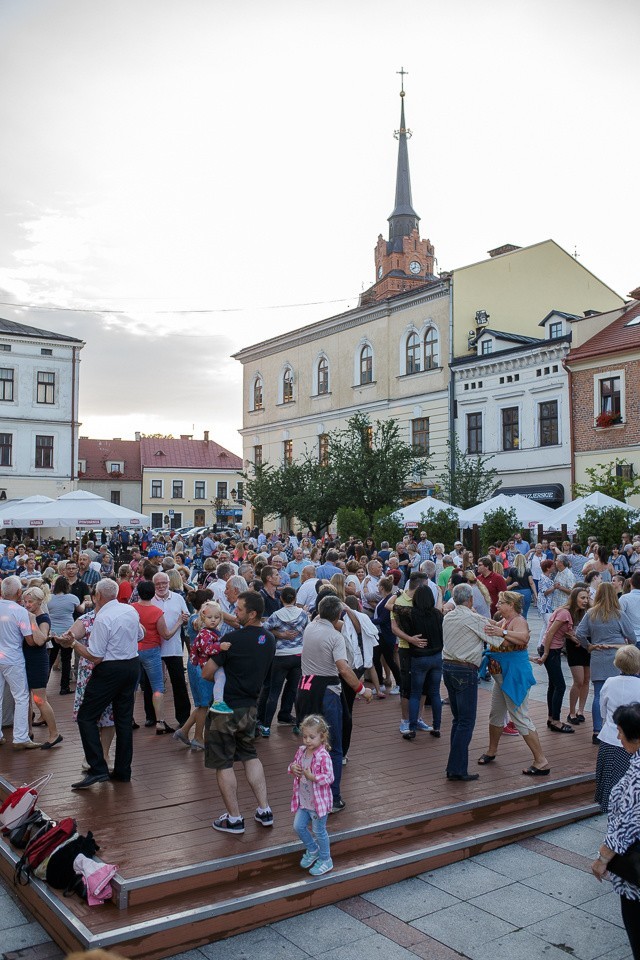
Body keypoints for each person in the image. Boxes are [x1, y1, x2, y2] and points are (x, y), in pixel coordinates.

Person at [201, 591, 276, 835]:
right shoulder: (269, 639)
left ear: (252, 613)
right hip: (250, 706)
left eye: (240, 609)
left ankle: (234, 818)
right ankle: (264, 809)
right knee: (249, 754)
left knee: (223, 762)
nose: (235, 613)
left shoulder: (232, 639)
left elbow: (207, 672)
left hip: (225, 708)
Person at [63, 578, 143, 789]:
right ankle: (123, 771)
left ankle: (98, 768)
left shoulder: (103, 617)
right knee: (123, 720)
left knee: (86, 716)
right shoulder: (130, 610)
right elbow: (140, 634)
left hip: (110, 670)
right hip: (131, 665)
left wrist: (73, 643)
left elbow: (95, 656)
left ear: (98, 596)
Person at [298, 594, 373, 813]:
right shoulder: (335, 636)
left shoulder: (310, 628)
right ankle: (332, 798)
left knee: (310, 744)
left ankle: (310, 793)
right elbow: (343, 668)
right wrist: (362, 690)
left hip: (305, 688)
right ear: (338, 615)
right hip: (326, 692)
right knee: (334, 747)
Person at [479, 591, 550, 776]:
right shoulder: (504, 620)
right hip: (502, 676)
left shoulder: (519, 620)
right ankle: (492, 750)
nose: (497, 605)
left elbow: (523, 637)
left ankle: (541, 761)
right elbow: (499, 629)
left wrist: (501, 631)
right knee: (496, 714)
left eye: (501, 602)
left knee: (520, 717)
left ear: (511, 605)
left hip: (513, 676)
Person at [591, 702, 640, 958]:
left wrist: (602, 859)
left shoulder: (637, 777)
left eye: (620, 731)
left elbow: (627, 826)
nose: (618, 736)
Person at [576, 582, 635, 744]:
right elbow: (632, 638)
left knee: (598, 695)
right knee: (619, 693)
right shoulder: (619, 614)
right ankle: (618, 729)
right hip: (617, 658)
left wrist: (588, 646)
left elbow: (579, 633)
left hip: (597, 655)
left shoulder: (591, 613)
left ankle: (597, 731)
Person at [441, 583, 488, 781]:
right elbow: (495, 640)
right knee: (466, 721)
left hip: (448, 667)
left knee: (458, 719)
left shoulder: (447, 616)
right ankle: (457, 768)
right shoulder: (474, 618)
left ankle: (455, 765)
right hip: (464, 670)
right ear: (470, 600)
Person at [175, 601, 231, 751]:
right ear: (203, 617)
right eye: (210, 617)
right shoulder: (205, 633)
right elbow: (207, 649)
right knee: (203, 704)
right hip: (202, 669)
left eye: (217, 617)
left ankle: (184, 730)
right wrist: (220, 646)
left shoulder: (210, 632)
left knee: (202, 703)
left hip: (201, 667)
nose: (213, 620)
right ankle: (198, 737)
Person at [132, 580, 184, 734]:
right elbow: (166, 635)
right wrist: (178, 623)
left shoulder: (131, 609)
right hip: (152, 651)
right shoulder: (156, 612)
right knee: (157, 687)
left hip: (134, 650)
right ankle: (160, 721)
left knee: (132, 687)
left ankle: (129, 718)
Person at [536, 587, 589, 733]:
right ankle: (556, 721)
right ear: (574, 598)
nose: (585, 601)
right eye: (582, 598)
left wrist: (571, 637)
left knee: (553, 686)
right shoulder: (565, 613)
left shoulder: (566, 612)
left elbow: (560, 631)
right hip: (551, 650)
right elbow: (551, 632)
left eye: (586, 598)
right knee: (560, 686)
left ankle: (551, 718)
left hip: (554, 649)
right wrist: (546, 653)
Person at [288, 714, 335, 877]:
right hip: (304, 801)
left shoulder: (323, 756)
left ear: (322, 737)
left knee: (319, 831)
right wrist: (293, 768)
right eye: (305, 736)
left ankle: (326, 859)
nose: (307, 740)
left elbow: (329, 777)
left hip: (317, 804)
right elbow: (294, 765)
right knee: (298, 826)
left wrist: (313, 777)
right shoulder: (302, 751)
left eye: (312, 737)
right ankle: (313, 849)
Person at [257, 586, 308, 736]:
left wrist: (280, 634)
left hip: (280, 656)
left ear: (281, 598)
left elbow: (265, 629)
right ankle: (298, 724)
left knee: (274, 692)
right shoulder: (303, 615)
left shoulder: (276, 615)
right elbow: (307, 629)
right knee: (295, 691)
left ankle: (266, 726)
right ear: (295, 598)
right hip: (298, 655)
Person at [595, 646, 640, 812]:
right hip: (634, 739)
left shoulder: (610, 682)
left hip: (610, 737)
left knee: (611, 782)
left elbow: (602, 707)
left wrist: (606, 722)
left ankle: (612, 818)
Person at [0, 577, 39, 749]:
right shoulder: (20, 611)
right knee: (21, 697)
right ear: (18, 593)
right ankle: (20, 737)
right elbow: (30, 641)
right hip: (12, 658)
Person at [401, 584, 443, 741]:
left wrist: (399, 593)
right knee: (435, 693)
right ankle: (437, 726)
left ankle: (411, 728)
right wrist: (439, 594)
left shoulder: (411, 614)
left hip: (419, 657)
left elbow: (393, 607)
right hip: (436, 657)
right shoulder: (438, 615)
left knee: (415, 693)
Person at [151, 571, 192, 727]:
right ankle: (152, 717)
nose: (161, 586)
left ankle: (183, 718)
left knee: (179, 683)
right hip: (154, 648)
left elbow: (186, 614)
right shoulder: (149, 600)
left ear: (169, 583)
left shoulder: (178, 597)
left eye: (164, 583)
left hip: (174, 648)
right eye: (158, 584)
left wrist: (185, 618)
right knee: (152, 685)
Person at [22, 586, 61, 749]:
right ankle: (27, 732)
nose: (26, 605)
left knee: (40, 699)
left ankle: (54, 733)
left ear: (39, 602)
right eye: (24, 601)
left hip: (37, 661)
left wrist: (31, 620)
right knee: (26, 699)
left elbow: (40, 640)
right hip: (24, 659)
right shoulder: (25, 614)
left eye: (30, 602)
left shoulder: (43, 618)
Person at [48, 576, 82, 694]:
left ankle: (43, 684)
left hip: (53, 632)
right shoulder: (72, 598)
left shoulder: (49, 599)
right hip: (67, 632)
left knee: (50, 659)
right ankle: (64, 687)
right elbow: (80, 610)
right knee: (66, 659)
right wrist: (86, 603)